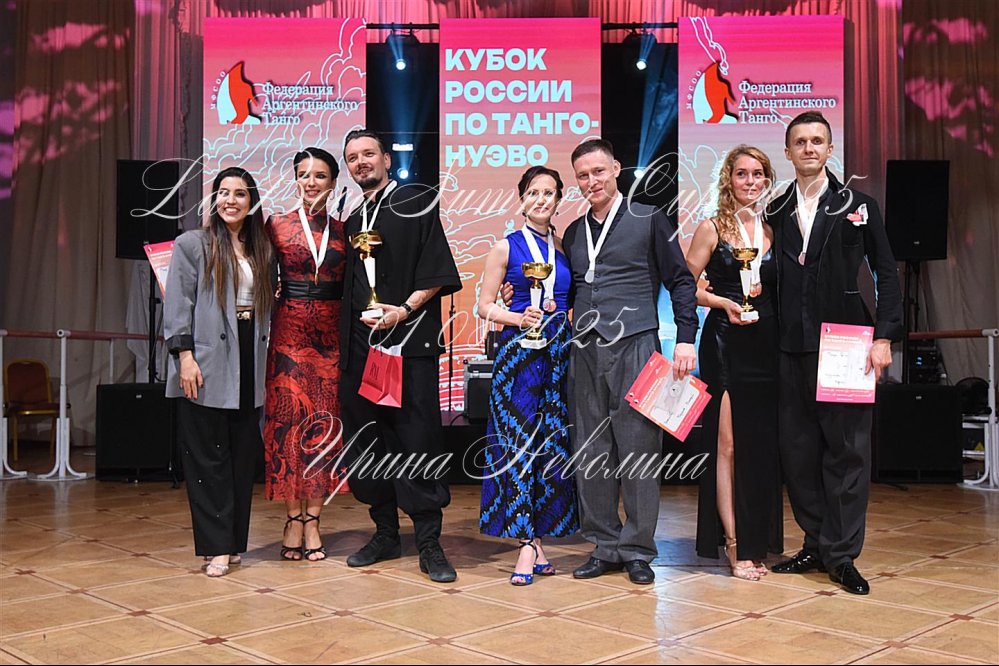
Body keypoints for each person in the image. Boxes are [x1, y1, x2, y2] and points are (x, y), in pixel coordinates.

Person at [767, 111, 903, 595]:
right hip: (789, 346)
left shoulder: (858, 205)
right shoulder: (774, 210)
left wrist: (884, 335)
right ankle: (815, 543)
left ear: (829, 149)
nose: (809, 148)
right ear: (788, 152)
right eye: (800, 141)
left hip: (846, 344)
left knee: (847, 453)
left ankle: (842, 556)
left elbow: (886, 272)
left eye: (817, 141)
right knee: (799, 452)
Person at [562, 139, 699, 585]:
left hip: (637, 345)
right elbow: (570, 289)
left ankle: (638, 550)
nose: (592, 181)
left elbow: (681, 281)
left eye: (598, 171)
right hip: (585, 350)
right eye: (583, 175)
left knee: (639, 449)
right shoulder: (573, 232)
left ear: (616, 168)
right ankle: (605, 545)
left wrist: (685, 338)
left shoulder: (650, 218)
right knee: (591, 450)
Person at [339, 129, 462, 583]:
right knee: (367, 444)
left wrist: (403, 311)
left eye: (368, 153)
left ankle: (429, 543)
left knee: (416, 441)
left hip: (408, 346)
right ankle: (386, 534)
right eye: (353, 157)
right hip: (360, 350)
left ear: (387, 159)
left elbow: (437, 270)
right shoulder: (353, 220)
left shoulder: (416, 201)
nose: (361, 162)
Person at [164, 166, 274, 578]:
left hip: (249, 357)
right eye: (223, 193)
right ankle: (216, 548)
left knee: (242, 459)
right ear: (213, 199)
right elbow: (179, 304)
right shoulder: (192, 243)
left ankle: (233, 543)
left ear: (251, 202)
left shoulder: (262, 249)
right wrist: (185, 357)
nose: (231, 200)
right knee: (208, 460)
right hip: (205, 360)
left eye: (240, 194)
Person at [477, 166, 578, 586]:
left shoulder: (565, 247)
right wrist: (518, 317)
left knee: (549, 448)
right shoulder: (505, 247)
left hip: (558, 354)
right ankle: (523, 543)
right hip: (518, 355)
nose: (541, 200)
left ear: (558, 199)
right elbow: (484, 305)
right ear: (521, 198)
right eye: (534, 192)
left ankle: (539, 539)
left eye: (549, 193)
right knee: (518, 446)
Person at [685, 146, 783, 580]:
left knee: (758, 446)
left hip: (766, 344)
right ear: (728, 179)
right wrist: (722, 302)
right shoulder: (711, 228)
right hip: (725, 342)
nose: (750, 181)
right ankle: (734, 543)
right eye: (741, 173)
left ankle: (758, 538)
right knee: (726, 445)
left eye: (757, 174)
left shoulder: (774, 229)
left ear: (767, 179)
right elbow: (685, 286)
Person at [263, 147, 348, 562]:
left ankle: (314, 520)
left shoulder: (346, 229)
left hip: (331, 336)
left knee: (323, 426)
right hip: (289, 333)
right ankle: (293, 518)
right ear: (296, 180)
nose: (311, 182)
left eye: (320, 175)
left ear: (333, 183)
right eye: (304, 175)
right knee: (287, 425)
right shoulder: (275, 225)